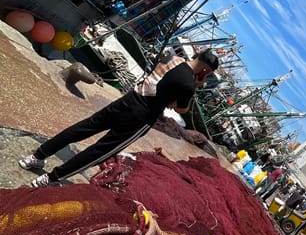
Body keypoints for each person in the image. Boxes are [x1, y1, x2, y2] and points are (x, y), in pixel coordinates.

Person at [19, 49, 219, 188]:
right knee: (101, 150)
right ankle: (52, 178)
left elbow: (162, 82)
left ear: (197, 54)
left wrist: (170, 96)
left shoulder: (171, 58)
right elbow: (183, 109)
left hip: (128, 100)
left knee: (86, 127)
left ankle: (36, 156)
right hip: (141, 117)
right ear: (206, 71)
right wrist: (196, 85)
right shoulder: (188, 84)